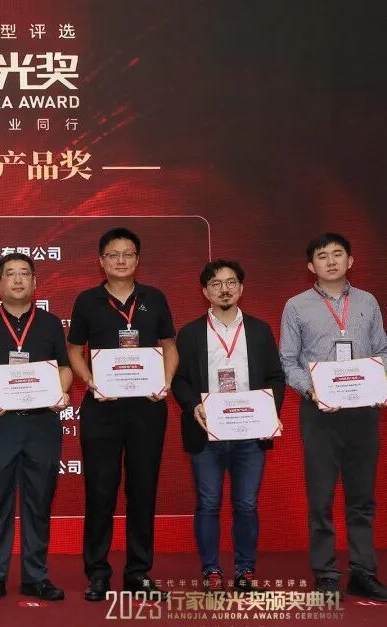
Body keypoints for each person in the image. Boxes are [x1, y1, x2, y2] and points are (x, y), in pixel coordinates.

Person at [66, 227, 178, 601]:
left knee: (143, 490)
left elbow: (169, 346)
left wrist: (166, 382)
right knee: (100, 490)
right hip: (102, 409)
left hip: (148, 407)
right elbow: (74, 350)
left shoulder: (154, 298)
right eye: (112, 255)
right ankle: (98, 573)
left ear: (137, 259)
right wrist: (89, 381)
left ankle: (138, 572)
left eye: (127, 254)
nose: (120, 261)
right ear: (101, 261)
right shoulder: (87, 301)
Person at [279, 233, 387, 601]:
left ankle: (363, 572)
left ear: (350, 261)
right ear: (311, 266)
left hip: (363, 412)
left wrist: (378, 382)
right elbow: (287, 361)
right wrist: (312, 390)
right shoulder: (296, 306)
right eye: (322, 256)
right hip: (319, 412)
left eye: (338, 254)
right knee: (321, 497)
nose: (331, 261)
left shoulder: (367, 301)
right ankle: (325, 574)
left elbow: (383, 350)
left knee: (362, 497)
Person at [172, 260, 285, 593]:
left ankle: (245, 571)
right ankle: (211, 571)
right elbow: (179, 379)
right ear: (205, 291)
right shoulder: (190, 333)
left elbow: (275, 377)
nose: (225, 289)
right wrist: (192, 405)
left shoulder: (260, 330)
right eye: (216, 283)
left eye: (231, 282)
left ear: (241, 288)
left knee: (246, 504)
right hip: (207, 432)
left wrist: (268, 413)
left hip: (250, 432)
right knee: (208, 504)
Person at [0, 253, 72, 602]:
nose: (17, 280)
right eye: (10, 274)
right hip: (0, 424)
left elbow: (65, 367)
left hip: (41, 424)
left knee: (38, 502)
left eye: (24, 273)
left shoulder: (51, 323)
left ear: (35, 282)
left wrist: (61, 392)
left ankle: (35, 576)